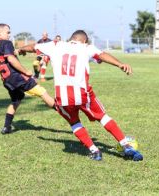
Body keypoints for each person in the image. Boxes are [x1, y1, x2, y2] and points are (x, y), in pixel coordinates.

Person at [19, 30, 143, 161]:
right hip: (83, 93)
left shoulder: (55, 45)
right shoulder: (86, 47)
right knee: (102, 117)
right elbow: (102, 55)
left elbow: (33, 47)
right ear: (84, 40)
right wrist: (120, 64)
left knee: (74, 123)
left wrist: (21, 49)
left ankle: (95, 151)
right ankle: (126, 146)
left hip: (63, 96)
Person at [0, 23, 55, 134]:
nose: (9, 34)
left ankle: (6, 127)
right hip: (17, 78)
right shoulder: (6, 42)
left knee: (16, 100)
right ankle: (65, 113)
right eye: (8, 32)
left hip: (6, 80)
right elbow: (10, 59)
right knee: (43, 92)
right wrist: (26, 71)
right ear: (0, 33)